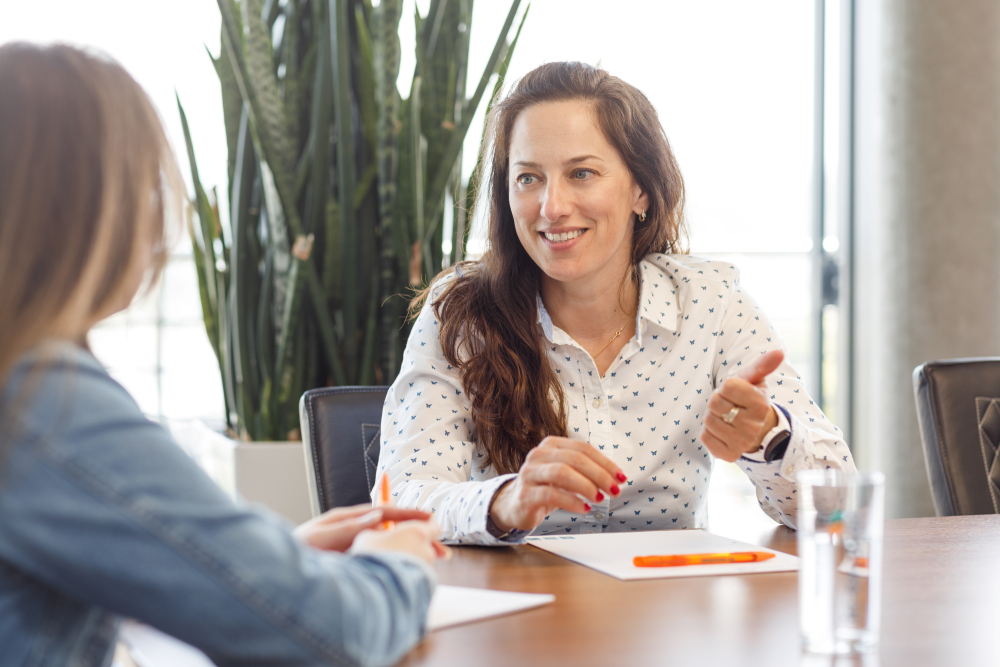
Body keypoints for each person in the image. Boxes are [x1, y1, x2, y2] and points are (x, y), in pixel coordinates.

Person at [0, 43, 449, 667]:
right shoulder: (42, 401)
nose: (160, 219)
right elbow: (331, 636)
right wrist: (396, 562)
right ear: (87, 207)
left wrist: (264, 562)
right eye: (146, 186)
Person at [376, 61, 856, 545]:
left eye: (581, 173)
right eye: (528, 178)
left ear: (641, 192)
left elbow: (839, 506)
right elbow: (402, 500)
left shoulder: (712, 304)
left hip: (664, 607)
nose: (552, 207)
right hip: (519, 609)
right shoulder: (460, 315)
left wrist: (768, 438)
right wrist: (504, 501)